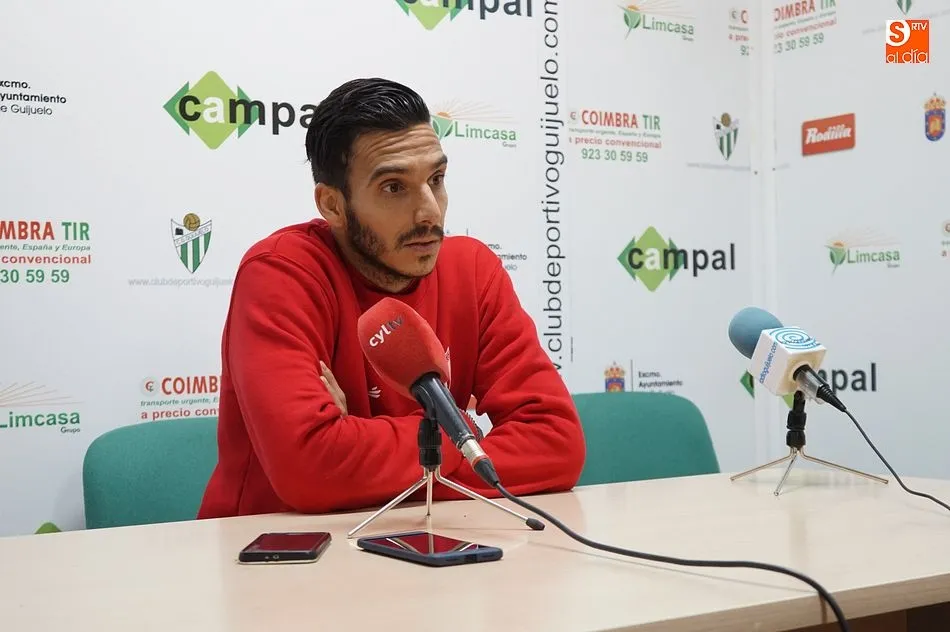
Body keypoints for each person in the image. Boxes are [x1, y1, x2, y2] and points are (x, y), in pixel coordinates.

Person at [197, 78, 586, 519]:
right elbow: (311, 469)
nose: (429, 212)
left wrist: (356, 439)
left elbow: (557, 442)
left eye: (436, 179)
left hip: (424, 537)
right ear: (333, 206)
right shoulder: (281, 273)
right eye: (393, 187)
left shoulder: (473, 270)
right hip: (277, 553)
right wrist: (466, 437)